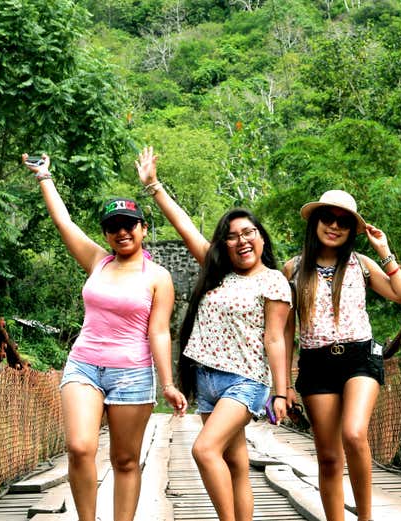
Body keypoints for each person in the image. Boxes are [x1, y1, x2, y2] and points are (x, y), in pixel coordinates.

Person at [22, 153, 187, 521]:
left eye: (130, 224)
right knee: (80, 447)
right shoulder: (97, 261)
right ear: (106, 233)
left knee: (125, 460)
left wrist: (169, 383)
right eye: (114, 226)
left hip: (132, 373)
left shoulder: (158, 276)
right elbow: (64, 222)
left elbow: (159, 331)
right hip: (84, 365)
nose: (122, 232)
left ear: (143, 229)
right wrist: (45, 177)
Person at [135, 146, 290, 521]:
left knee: (204, 450)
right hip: (206, 378)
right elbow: (184, 225)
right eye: (233, 236)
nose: (242, 240)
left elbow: (275, 338)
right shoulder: (217, 272)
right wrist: (154, 185)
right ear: (225, 245)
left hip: (246, 380)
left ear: (262, 238)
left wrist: (282, 392)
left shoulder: (275, 282)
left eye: (249, 232)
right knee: (235, 462)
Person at [283, 190, 401, 521]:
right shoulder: (293, 269)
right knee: (328, 457)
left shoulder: (361, 264)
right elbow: (284, 332)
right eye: (328, 218)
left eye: (343, 222)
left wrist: (384, 251)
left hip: (359, 357)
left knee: (354, 433)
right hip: (315, 362)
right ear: (315, 222)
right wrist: (283, 384)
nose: (334, 226)